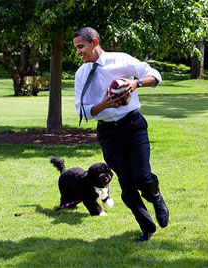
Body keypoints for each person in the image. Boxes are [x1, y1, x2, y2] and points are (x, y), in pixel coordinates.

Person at [73, 27, 169, 242]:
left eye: (81, 47)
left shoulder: (121, 60)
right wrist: (103, 105)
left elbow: (155, 75)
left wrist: (136, 83)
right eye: (76, 48)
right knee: (126, 185)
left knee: (142, 178)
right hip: (108, 134)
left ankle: (156, 198)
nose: (78, 52)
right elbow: (82, 111)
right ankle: (146, 227)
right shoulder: (81, 74)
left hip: (133, 126)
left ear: (95, 43)